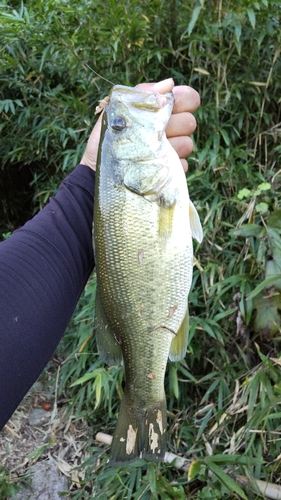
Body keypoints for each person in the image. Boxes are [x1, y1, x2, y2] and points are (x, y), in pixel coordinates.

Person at [0, 78, 200, 431]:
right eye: (119, 125)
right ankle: (144, 400)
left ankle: (142, 414)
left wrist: (89, 178)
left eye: (117, 125)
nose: (119, 120)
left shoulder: (141, 179)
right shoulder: (144, 181)